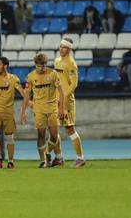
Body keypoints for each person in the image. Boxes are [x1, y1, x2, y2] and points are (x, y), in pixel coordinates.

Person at [21, 53, 65, 168]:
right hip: (39, 109)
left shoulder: (53, 74)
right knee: (41, 135)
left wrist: (61, 108)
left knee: (54, 136)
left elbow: (61, 92)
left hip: (52, 109)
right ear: (35, 65)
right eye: (40, 66)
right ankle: (43, 160)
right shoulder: (30, 77)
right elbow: (26, 95)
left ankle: (47, 153)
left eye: (44, 65)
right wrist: (23, 112)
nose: (42, 68)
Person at [52, 38, 86, 168]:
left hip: (66, 102)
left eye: (64, 47)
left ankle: (80, 158)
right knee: (53, 128)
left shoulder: (71, 64)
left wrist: (63, 97)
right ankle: (59, 158)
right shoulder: (57, 61)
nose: (61, 49)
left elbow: (74, 84)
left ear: (69, 49)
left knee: (69, 128)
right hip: (56, 100)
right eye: (60, 46)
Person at [0, 57, 25, 168]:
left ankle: (11, 160)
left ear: (5, 66)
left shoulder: (13, 79)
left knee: (9, 137)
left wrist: (30, 103)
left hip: (8, 112)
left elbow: (22, 91)